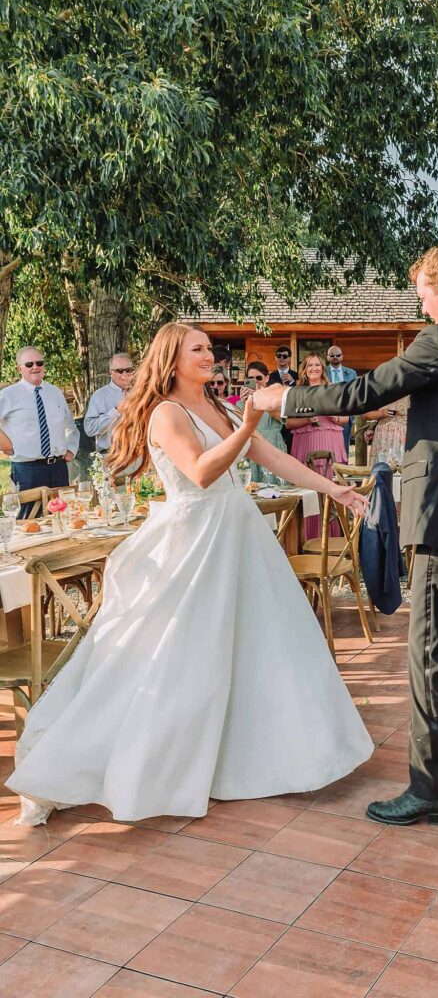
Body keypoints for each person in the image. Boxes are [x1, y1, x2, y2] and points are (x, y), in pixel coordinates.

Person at [8, 323, 373, 825]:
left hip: (236, 535)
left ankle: (259, 757)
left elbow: (273, 457)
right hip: (194, 542)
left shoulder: (218, 408)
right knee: (179, 657)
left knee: (257, 646)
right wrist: (246, 424)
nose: (209, 355)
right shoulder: (165, 413)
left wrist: (334, 491)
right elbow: (201, 472)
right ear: (172, 360)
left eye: (209, 348)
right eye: (197, 349)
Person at [255, 244, 438, 825]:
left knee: (431, 656)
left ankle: (432, 789)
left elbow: (362, 394)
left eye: (424, 297)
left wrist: (280, 398)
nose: (423, 309)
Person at [0, 346, 79, 514]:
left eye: (39, 363)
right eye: (29, 364)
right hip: (27, 470)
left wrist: (71, 448)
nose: (35, 367)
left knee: (63, 518)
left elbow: (70, 425)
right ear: (19, 368)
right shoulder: (8, 395)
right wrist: (5, 445)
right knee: (30, 520)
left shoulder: (55, 392)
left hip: (58, 468)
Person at [287, 353, 349, 536]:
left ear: (323, 368)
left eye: (317, 365)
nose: (314, 368)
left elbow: (344, 419)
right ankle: (308, 536)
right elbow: (289, 423)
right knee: (308, 488)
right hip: (305, 442)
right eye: (310, 365)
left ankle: (332, 538)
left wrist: (329, 414)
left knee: (330, 484)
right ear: (304, 369)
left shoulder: (333, 390)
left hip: (330, 440)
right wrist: (307, 419)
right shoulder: (296, 392)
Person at [238, 360, 286, 480]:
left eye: (259, 378)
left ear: (267, 378)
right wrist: (246, 404)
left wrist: (261, 400)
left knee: (275, 488)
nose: (255, 382)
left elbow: (282, 417)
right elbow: (238, 428)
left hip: (273, 445)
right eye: (250, 378)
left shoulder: (275, 398)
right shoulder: (240, 403)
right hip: (251, 447)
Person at [84, 353, 135, 455]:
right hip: (112, 456)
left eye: (128, 370)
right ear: (110, 372)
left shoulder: (140, 393)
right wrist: (116, 411)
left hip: (139, 455)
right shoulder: (99, 396)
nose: (124, 375)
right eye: (119, 371)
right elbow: (90, 429)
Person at [326, 346, 357, 455]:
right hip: (328, 414)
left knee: (344, 447)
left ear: (342, 356)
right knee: (328, 446)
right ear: (327, 357)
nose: (335, 357)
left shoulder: (351, 373)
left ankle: (344, 470)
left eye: (338, 355)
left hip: (345, 413)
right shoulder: (323, 372)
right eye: (332, 355)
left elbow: (355, 393)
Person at [365, 396, 410, 466]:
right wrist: (381, 413)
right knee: (382, 466)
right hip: (383, 434)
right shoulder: (380, 389)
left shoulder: (411, 388)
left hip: (405, 431)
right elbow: (366, 415)